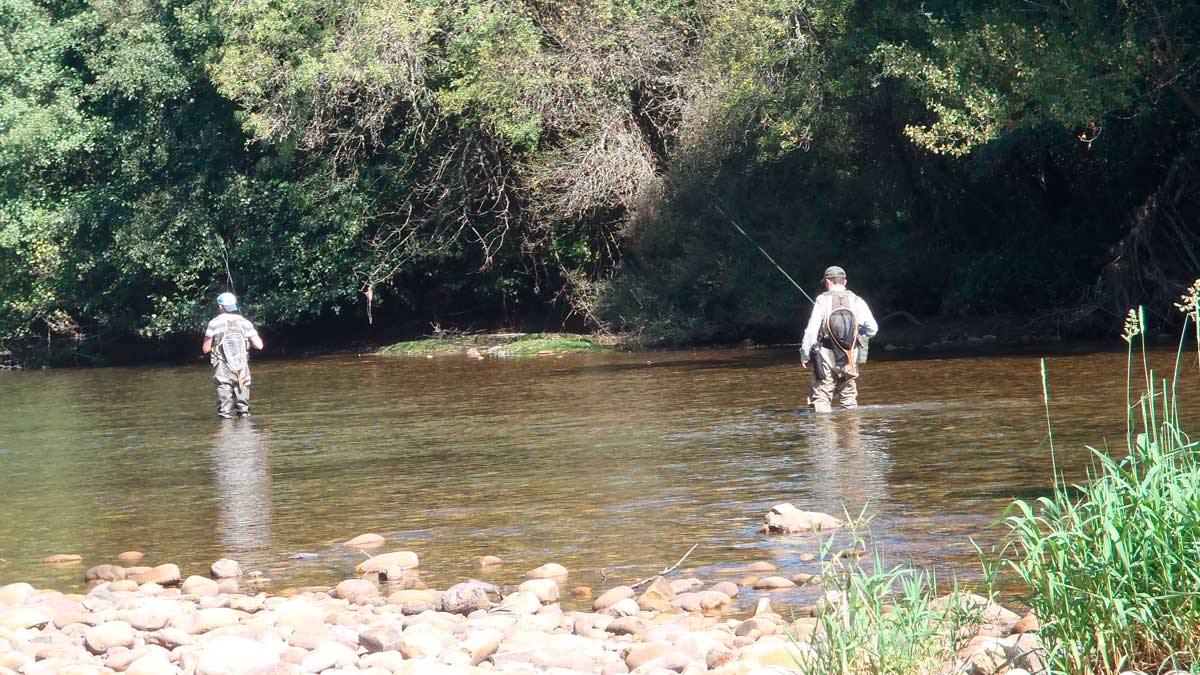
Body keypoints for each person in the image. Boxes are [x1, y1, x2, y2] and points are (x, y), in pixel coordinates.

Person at [800, 266, 878, 413]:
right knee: (848, 396)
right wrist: (858, 335)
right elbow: (873, 329)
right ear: (845, 281)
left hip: (826, 355)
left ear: (828, 282)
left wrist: (804, 354)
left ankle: (824, 432)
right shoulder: (857, 300)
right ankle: (852, 432)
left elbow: (811, 331)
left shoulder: (822, 300)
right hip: (850, 355)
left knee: (822, 395)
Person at [202, 292, 264, 419]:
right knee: (244, 412)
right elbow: (259, 346)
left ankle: (227, 435)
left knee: (225, 414)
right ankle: (246, 432)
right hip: (241, 369)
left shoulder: (214, 323)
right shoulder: (245, 322)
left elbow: (205, 349)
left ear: (220, 307)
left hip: (223, 370)